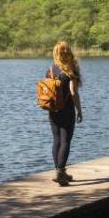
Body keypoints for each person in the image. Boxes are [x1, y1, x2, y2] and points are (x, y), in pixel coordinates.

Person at [47, 41, 83, 186]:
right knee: (65, 140)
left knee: (56, 139)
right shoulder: (70, 69)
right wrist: (79, 110)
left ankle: (60, 171)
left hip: (53, 109)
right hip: (66, 110)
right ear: (68, 53)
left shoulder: (51, 69)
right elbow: (73, 92)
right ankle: (61, 172)